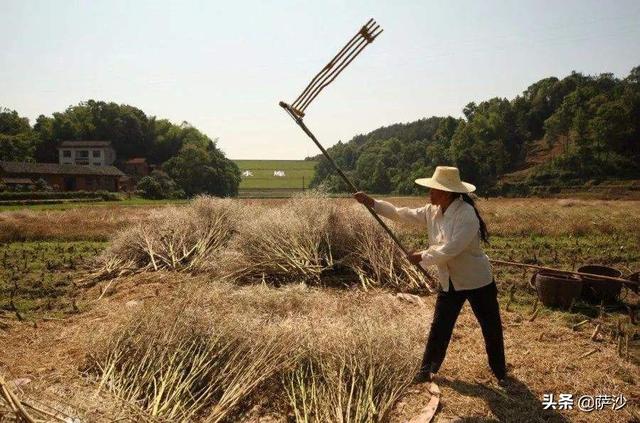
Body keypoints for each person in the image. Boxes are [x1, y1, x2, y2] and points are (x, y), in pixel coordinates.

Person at [353, 166, 508, 384]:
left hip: (477, 281)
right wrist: (373, 203)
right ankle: (426, 370)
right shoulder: (432, 211)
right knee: (440, 326)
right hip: (450, 281)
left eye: (433, 190)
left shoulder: (466, 214)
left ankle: (500, 371)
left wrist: (422, 256)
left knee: (490, 326)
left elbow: (451, 248)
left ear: (446, 192)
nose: (429, 193)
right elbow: (401, 213)